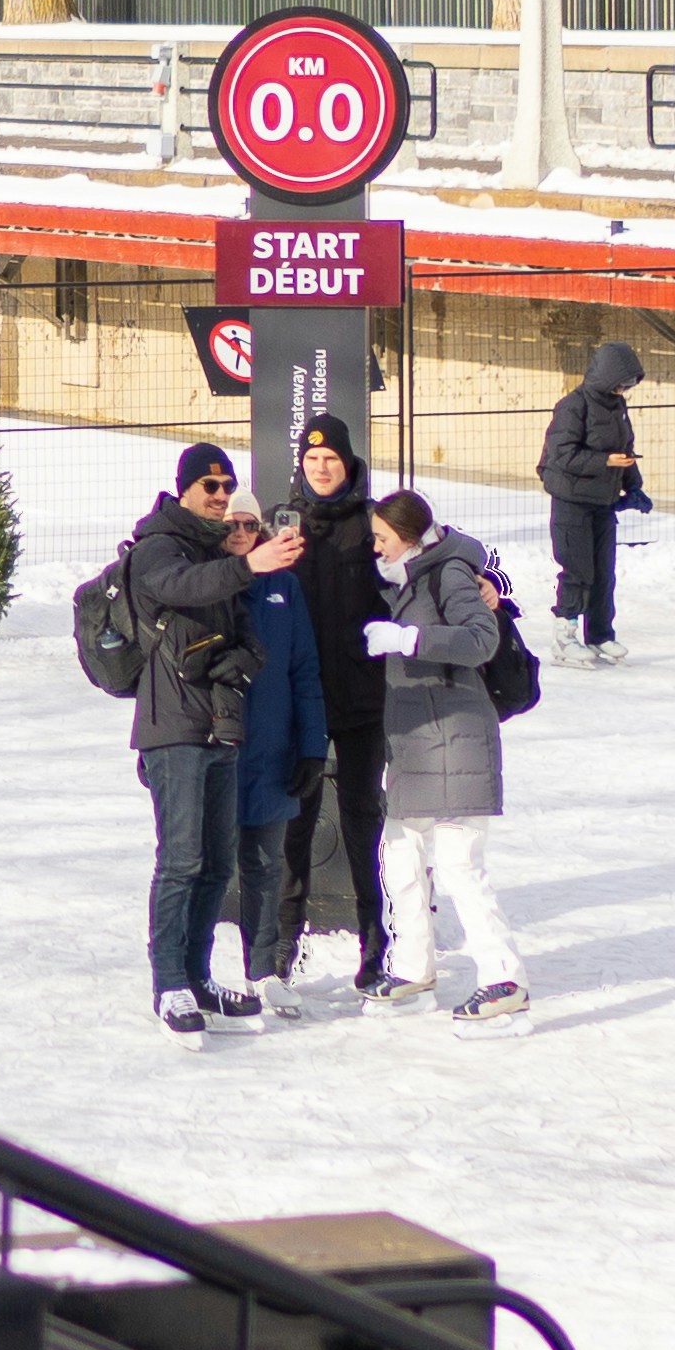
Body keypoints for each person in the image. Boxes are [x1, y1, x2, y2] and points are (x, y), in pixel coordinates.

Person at [122, 446, 304, 1034]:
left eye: (227, 484)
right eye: (210, 484)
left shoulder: (211, 549)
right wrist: (253, 565)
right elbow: (183, 585)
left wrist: (244, 660)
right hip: (172, 727)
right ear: (184, 489)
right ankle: (169, 982)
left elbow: (247, 631)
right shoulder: (160, 546)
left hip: (222, 727)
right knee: (180, 860)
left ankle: (197, 976)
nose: (222, 494)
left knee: (217, 863)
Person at [362, 492, 529, 1023]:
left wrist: (411, 638)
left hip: (455, 736)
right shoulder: (400, 575)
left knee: (459, 865)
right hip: (412, 740)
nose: (375, 544)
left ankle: (504, 978)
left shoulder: (449, 573)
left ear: (409, 537)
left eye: (382, 536)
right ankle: (414, 967)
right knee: (401, 858)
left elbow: (480, 640)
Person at [280, 413, 393, 994]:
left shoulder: (373, 523)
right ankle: (283, 949)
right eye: (312, 458)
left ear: (348, 464)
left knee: (360, 823)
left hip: (360, 701)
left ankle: (376, 947)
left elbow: (450, 552)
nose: (321, 467)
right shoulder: (284, 524)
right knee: (294, 825)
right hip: (301, 702)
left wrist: (489, 583)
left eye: (332, 459)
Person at [227, 521, 333, 1022]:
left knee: (266, 868)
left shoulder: (284, 586)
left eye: (250, 524)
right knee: (201, 868)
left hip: (273, 752)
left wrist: (312, 748)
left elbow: (304, 670)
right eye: (232, 523)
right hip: (215, 751)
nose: (242, 531)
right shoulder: (203, 578)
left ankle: (263, 971)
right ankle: (188, 973)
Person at [535, 338, 649, 659]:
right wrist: (604, 462)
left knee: (604, 573)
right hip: (571, 502)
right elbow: (561, 456)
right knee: (577, 570)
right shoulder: (573, 406)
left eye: (627, 386)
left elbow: (624, 448)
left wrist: (633, 484)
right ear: (605, 377)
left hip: (603, 501)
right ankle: (564, 636)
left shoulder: (617, 408)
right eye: (619, 385)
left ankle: (600, 634)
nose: (622, 391)